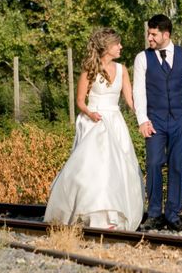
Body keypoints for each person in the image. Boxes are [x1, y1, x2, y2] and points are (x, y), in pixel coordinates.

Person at [44, 28, 144, 230]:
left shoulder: (122, 69)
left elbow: (130, 99)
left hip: (115, 121)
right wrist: (91, 114)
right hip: (95, 121)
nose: (121, 47)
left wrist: (143, 116)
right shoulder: (90, 69)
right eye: (117, 44)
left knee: (118, 170)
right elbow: (80, 101)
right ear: (107, 47)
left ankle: (113, 218)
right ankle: (94, 218)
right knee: (96, 170)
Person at [133, 14, 182, 232]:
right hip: (154, 120)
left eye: (153, 34)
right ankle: (154, 214)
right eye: (148, 33)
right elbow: (139, 91)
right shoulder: (142, 58)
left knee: (177, 164)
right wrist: (142, 120)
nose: (149, 38)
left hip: (180, 119)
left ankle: (173, 215)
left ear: (166, 34)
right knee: (154, 163)